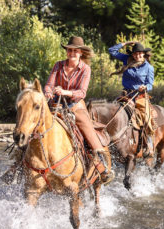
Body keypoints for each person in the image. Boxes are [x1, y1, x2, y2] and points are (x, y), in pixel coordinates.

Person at [44, 36, 114, 184]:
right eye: (70, 50)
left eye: (75, 51)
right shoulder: (58, 65)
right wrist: (49, 92)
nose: (72, 53)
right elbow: (49, 84)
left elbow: (82, 92)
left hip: (76, 107)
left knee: (88, 132)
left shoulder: (85, 69)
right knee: (37, 127)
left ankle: (101, 165)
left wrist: (65, 92)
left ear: (81, 53)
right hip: (56, 105)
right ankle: (18, 163)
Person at [108, 41, 156, 157]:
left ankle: (148, 142)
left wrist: (145, 87)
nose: (137, 56)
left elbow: (150, 84)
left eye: (140, 53)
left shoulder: (149, 68)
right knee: (111, 113)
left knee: (146, 117)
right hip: (125, 95)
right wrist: (125, 43)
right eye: (135, 54)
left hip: (139, 96)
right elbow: (112, 51)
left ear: (144, 54)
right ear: (132, 54)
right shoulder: (126, 60)